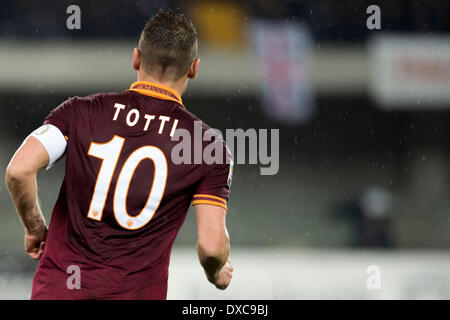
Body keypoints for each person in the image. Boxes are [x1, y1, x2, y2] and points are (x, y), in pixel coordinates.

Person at [5, 9, 233, 300]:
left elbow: (18, 170)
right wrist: (216, 272)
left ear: (136, 58)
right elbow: (212, 248)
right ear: (194, 68)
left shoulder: (79, 111)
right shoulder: (206, 145)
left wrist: (35, 227)